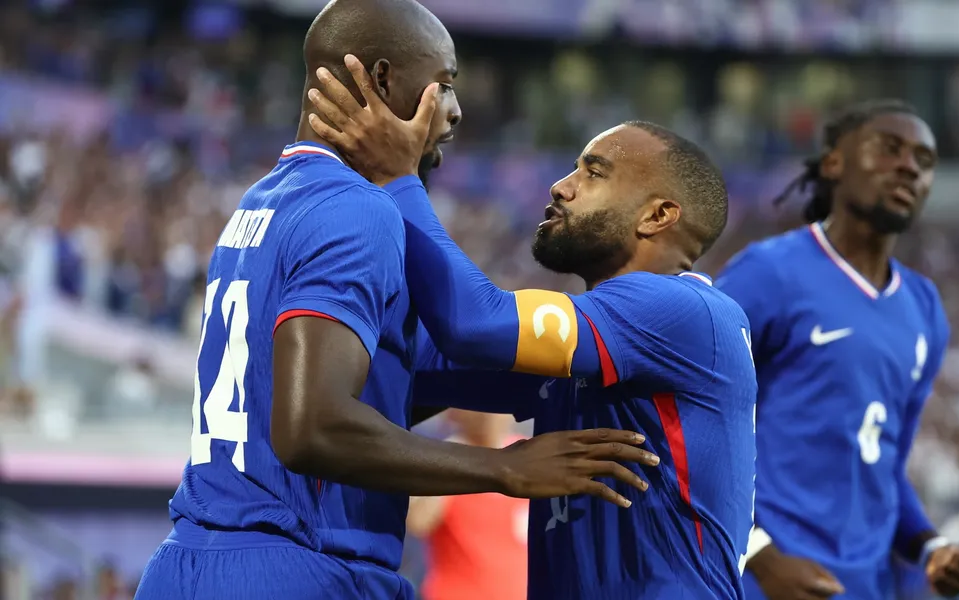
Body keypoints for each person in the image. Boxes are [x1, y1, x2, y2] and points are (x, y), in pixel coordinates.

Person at [134, 2, 659, 599]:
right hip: (299, 566)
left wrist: (553, 380)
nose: (456, 111)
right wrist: (506, 469)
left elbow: (371, 384)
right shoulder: (358, 209)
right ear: (382, 81)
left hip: (191, 562)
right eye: (445, 84)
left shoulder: (261, 202)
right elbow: (312, 427)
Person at [307, 59, 758, 599]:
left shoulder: (686, 314)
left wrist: (399, 176)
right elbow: (408, 370)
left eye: (593, 173)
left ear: (658, 215)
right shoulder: (594, 346)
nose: (561, 186)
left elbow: (474, 323)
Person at [713, 99, 959, 600]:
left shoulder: (924, 309)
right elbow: (691, 416)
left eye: (924, 161)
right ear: (834, 162)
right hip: (761, 581)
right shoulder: (768, 273)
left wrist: (929, 546)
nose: (909, 166)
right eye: (890, 149)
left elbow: (882, 462)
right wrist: (759, 556)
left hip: (865, 586)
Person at [407, 410, 529, 600]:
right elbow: (418, 522)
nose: (489, 415)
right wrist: (452, 459)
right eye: (481, 408)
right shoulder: (446, 459)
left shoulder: (526, 459)